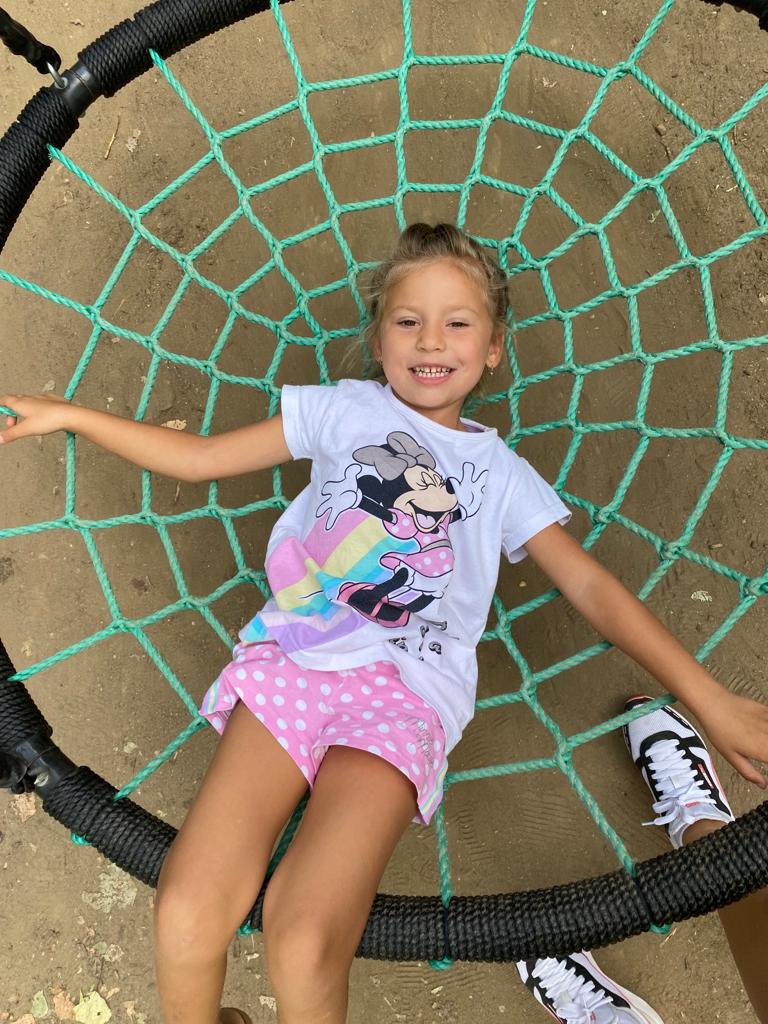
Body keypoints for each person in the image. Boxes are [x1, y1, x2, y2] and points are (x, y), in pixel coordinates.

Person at [1, 222, 766, 1024]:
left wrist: (709, 700)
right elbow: (199, 460)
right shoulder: (344, 412)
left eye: (457, 322)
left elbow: (593, 588)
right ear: (377, 337)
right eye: (408, 320)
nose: (431, 339)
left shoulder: (501, 477)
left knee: (303, 936)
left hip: (404, 692)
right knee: (187, 911)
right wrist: (75, 416)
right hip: (297, 658)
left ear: (495, 347)